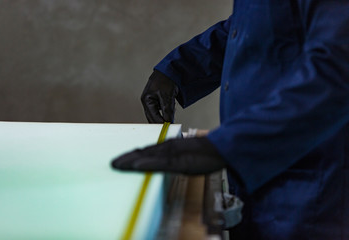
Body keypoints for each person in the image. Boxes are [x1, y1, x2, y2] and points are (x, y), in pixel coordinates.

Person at [112, 1, 349, 239]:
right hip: (259, 180)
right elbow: (259, 24)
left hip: (309, 193)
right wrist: (179, 70)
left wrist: (225, 147)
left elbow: (337, 71)